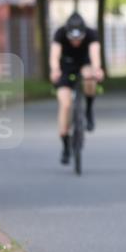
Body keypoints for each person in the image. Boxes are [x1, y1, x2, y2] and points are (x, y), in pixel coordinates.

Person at [50, 12, 103, 164]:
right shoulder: (60, 33)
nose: (76, 42)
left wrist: (97, 69)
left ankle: (88, 109)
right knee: (65, 105)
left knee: (89, 76)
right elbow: (54, 57)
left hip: (84, 64)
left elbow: (95, 56)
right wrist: (54, 70)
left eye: (79, 38)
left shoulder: (91, 34)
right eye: (72, 39)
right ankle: (66, 144)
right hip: (66, 67)